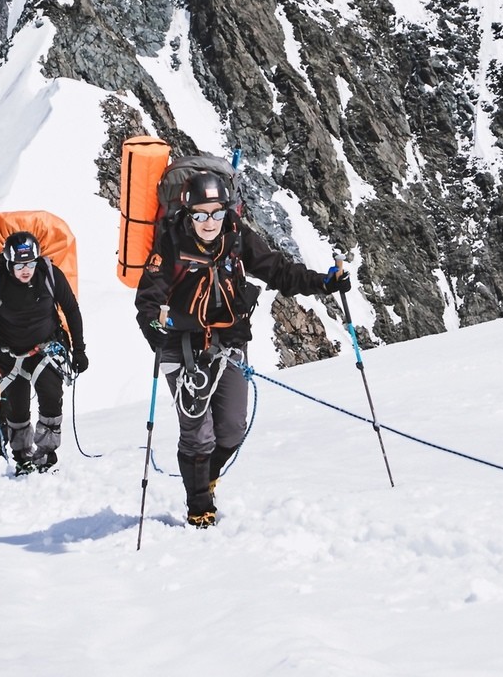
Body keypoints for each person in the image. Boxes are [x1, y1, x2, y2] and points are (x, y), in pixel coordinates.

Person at [135, 170, 350, 527]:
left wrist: (324, 283)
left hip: (229, 344)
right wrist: (153, 327)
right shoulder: (170, 244)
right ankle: (199, 505)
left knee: (233, 428)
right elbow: (149, 297)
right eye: (201, 214)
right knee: (197, 432)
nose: (209, 222)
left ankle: (208, 477)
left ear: (226, 211)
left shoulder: (237, 239)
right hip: (181, 346)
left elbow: (279, 271)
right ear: (188, 213)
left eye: (216, 213)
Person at [0, 231, 87, 474]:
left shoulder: (50, 275)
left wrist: (79, 349)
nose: (26, 270)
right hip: (10, 355)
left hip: (45, 349)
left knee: (50, 396)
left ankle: (45, 454)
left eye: (30, 264)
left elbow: (71, 309)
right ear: (8, 263)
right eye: (19, 265)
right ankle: (22, 457)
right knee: (17, 408)